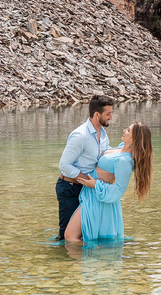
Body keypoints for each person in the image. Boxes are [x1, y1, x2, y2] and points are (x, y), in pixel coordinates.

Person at [64, 122, 153, 243]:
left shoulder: (124, 161)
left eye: (127, 130)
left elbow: (120, 189)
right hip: (91, 195)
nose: (123, 130)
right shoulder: (121, 149)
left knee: (70, 236)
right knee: (80, 236)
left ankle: (93, 257)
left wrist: (95, 185)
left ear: (134, 139)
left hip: (97, 198)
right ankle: (95, 258)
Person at [56, 95, 116, 241]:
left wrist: (126, 151)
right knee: (66, 235)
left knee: (84, 231)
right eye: (108, 114)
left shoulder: (102, 133)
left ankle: (81, 261)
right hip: (70, 188)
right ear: (97, 114)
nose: (111, 117)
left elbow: (104, 154)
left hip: (87, 188)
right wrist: (88, 180)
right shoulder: (80, 135)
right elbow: (63, 165)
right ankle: (62, 261)